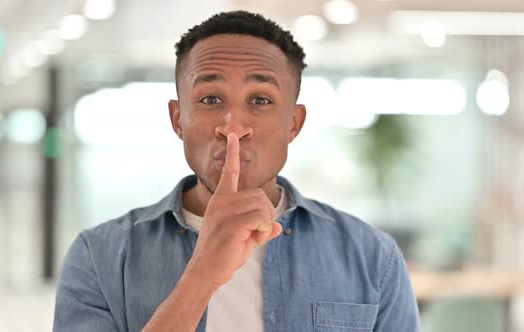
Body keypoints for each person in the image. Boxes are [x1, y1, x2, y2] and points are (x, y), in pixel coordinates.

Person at [53, 10, 420, 332]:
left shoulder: (372, 257)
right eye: (211, 100)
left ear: (294, 124)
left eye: (260, 100)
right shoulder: (99, 257)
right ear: (178, 119)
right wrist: (203, 273)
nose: (233, 126)